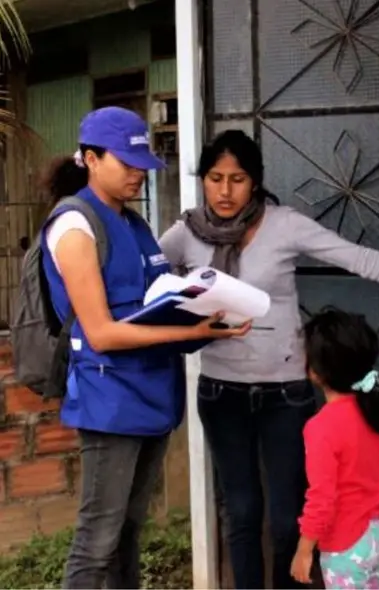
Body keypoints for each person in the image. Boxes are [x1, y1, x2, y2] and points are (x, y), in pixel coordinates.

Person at [158, 129, 379, 589]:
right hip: (221, 392)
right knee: (241, 512)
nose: (224, 191)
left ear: (255, 181)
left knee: (285, 517)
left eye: (237, 179)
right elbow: (145, 278)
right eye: (214, 178)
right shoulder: (186, 233)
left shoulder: (285, 224)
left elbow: (355, 258)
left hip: (285, 395)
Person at [39, 107, 249, 589]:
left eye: (142, 165)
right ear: (92, 159)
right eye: (127, 164)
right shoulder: (75, 227)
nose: (138, 175)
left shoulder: (133, 223)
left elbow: (154, 300)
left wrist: (205, 310)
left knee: (127, 533)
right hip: (110, 402)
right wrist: (191, 334)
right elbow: (102, 333)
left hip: (153, 395)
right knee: (97, 541)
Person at [289, 308, 379, 589]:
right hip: (378, 534)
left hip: (347, 541)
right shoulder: (373, 411)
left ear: (316, 371)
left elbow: (321, 497)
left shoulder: (321, 427)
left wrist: (304, 550)